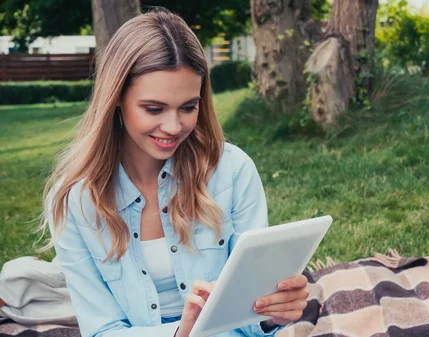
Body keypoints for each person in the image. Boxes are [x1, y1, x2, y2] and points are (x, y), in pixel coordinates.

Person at [39, 8, 309, 337]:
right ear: (116, 100)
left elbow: (250, 312)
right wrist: (181, 333)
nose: (173, 127)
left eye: (188, 107)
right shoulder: (75, 201)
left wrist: (271, 314)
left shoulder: (233, 171)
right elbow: (102, 330)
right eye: (153, 109)